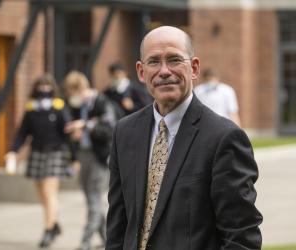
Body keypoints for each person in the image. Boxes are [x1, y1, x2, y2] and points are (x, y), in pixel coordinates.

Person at [106, 26, 262, 250]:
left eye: (174, 59)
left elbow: (242, 238)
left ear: (194, 68)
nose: (164, 71)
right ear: (141, 72)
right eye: (154, 62)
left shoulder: (223, 138)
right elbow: (117, 228)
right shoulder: (124, 132)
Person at [6, 74, 76, 248]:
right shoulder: (31, 109)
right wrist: (13, 151)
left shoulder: (59, 107)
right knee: (42, 194)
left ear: (52, 89)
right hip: (37, 153)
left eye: (47, 86)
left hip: (55, 153)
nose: (44, 89)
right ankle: (55, 224)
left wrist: (72, 158)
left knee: (49, 192)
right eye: (41, 86)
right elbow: (22, 133)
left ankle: (48, 230)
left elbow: (68, 133)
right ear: (35, 88)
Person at [62, 70, 117, 250]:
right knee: (90, 198)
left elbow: (109, 127)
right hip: (83, 155)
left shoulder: (101, 102)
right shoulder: (77, 107)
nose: (72, 98)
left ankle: (85, 242)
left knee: (94, 198)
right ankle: (107, 237)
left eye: (73, 93)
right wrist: (76, 135)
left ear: (80, 88)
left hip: (99, 157)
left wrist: (86, 126)